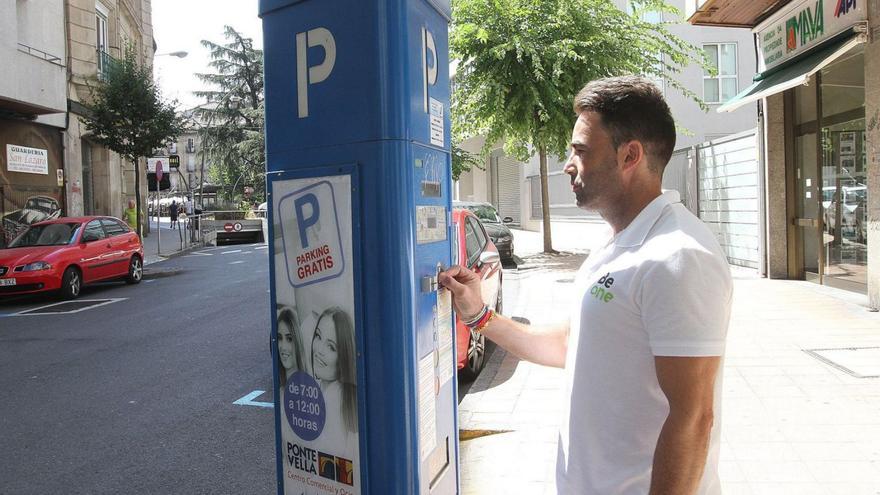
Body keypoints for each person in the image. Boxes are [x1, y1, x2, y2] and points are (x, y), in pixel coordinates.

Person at [440, 76, 732, 495]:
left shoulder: (677, 256)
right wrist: (479, 315)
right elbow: (571, 346)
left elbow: (693, 417)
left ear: (629, 155)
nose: (568, 164)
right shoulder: (619, 243)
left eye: (580, 150)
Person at [310, 307, 358, 452]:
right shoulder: (326, 391)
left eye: (331, 347)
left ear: (343, 356)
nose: (319, 350)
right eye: (318, 336)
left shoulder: (333, 399)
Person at [277, 307, 306, 387]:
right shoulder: (280, 389)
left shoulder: (308, 387)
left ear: (298, 341)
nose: (283, 347)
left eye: (289, 339)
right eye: (279, 338)